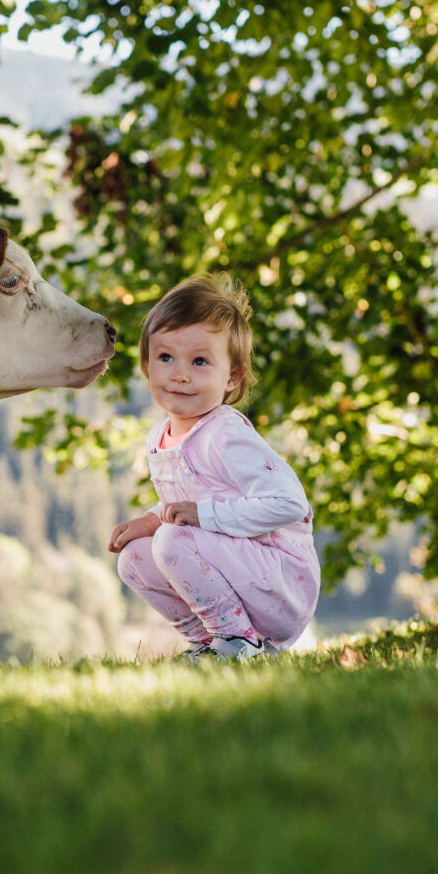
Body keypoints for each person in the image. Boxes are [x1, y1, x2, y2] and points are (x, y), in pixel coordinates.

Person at [109, 274, 319, 661]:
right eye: (165, 357)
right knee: (134, 557)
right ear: (147, 364)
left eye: (200, 361)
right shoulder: (161, 436)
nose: (180, 373)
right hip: (237, 575)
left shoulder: (225, 434)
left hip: (279, 580)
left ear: (232, 377)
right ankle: (208, 642)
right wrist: (151, 520)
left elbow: (289, 504)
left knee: (172, 541)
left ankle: (239, 641)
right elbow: (196, 501)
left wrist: (197, 517)